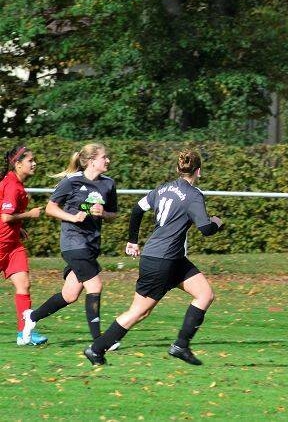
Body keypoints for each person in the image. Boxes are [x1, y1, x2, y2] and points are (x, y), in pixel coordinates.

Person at [84, 149, 223, 366]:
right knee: (139, 312)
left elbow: (137, 210)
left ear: (178, 169)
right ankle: (96, 348)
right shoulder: (194, 195)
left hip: (169, 258)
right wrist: (217, 223)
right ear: (199, 171)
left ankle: (181, 345)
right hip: (162, 261)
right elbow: (205, 229)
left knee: (205, 294)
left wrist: (132, 240)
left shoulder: (163, 189)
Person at [21, 143, 118, 345]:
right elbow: (50, 208)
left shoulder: (108, 184)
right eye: (104, 157)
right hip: (73, 242)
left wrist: (104, 213)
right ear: (92, 161)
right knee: (95, 285)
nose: (108, 160)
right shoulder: (72, 181)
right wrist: (72, 218)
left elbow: (114, 214)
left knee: (70, 294)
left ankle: (31, 317)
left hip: (91, 245)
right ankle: (99, 341)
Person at [1, 145, 48, 345]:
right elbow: (5, 216)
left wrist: (17, 228)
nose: (34, 163)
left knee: (24, 284)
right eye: (30, 160)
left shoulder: (16, 184)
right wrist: (29, 215)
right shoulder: (12, 185)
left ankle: (24, 333)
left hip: (12, 246)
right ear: (18, 164)